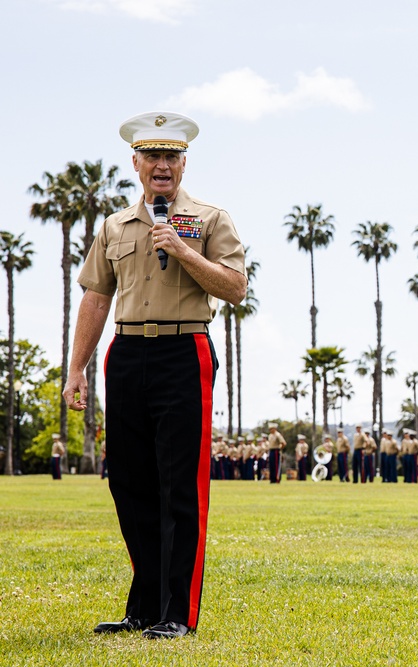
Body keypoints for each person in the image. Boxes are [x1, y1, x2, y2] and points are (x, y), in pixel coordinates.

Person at [68, 111, 246, 640]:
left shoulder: (212, 219)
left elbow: (235, 287)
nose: (161, 166)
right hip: (125, 354)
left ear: (184, 164)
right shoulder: (115, 227)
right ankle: (143, 606)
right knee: (128, 483)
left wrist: (184, 250)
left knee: (179, 487)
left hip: (183, 351)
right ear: (136, 164)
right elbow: (96, 297)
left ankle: (177, 613)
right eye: (152, 156)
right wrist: (76, 368)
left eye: (171, 156)